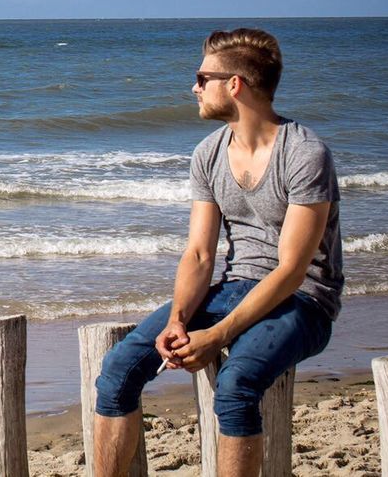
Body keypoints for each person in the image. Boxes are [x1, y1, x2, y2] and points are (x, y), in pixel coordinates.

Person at [93, 28, 343, 477]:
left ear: (234, 85)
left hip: (304, 302)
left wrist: (218, 335)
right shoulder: (208, 154)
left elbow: (291, 270)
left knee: (236, 385)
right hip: (234, 286)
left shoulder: (305, 154)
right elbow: (199, 255)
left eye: (201, 76)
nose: (194, 87)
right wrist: (178, 321)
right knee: (118, 371)